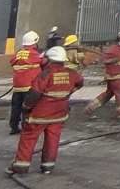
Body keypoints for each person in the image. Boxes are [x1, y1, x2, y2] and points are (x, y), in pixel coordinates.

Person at [6, 46, 84, 176]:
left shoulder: (45, 74)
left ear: (49, 60)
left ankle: (21, 166)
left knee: (28, 137)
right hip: (59, 114)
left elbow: (34, 94)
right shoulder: (71, 73)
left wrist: (26, 107)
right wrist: (68, 92)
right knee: (53, 139)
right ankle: (48, 166)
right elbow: (80, 82)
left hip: (39, 115)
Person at [84, 31, 120, 119]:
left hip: (113, 76)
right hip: (115, 76)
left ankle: (90, 108)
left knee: (108, 94)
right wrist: (116, 60)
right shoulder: (117, 50)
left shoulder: (115, 49)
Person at [9, 31, 43, 135]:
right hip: (29, 86)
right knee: (27, 107)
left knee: (16, 108)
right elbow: (43, 61)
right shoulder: (34, 54)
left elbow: (12, 61)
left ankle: (14, 127)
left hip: (17, 87)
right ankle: (26, 127)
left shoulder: (19, 53)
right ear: (35, 42)